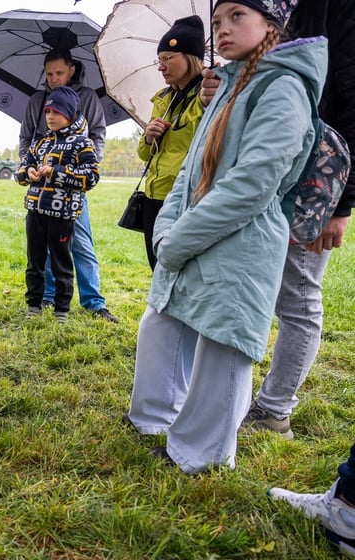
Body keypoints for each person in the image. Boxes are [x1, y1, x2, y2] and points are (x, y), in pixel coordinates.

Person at [126, 0, 322, 473]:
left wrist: (180, 237)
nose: (223, 29)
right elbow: (189, 172)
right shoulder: (230, 86)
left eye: (238, 16)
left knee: (223, 346)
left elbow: (252, 186)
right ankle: (155, 419)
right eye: (218, 21)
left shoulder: (284, 88)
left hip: (243, 240)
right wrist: (168, 226)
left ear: (271, 24)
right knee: (162, 323)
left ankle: (203, 454)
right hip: (196, 230)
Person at [198, 0, 355, 441]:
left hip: (313, 180)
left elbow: (349, 100)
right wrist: (221, 87)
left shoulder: (334, 8)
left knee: (298, 295)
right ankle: (227, 397)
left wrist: (341, 204)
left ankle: (273, 409)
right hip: (262, 172)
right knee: (245, 286)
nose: (224, 27)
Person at [18, 50, 117, 323]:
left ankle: (93, 301)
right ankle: (48, 297)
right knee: (43, 248)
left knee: (81, 243)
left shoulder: (87, 98)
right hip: (41, 190)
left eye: (59, 73)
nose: (54, 79)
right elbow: (26, 138)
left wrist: (76, 168)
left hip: (72, 188)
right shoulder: (37, 101)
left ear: (71, 70)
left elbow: (97, 135)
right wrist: (30, 166)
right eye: (49, 74)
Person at [15, 86, 100, 323]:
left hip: (63, 216)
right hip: (35, 212)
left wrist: (55, 172)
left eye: (57, 112)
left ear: (71, 114)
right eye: (47, 111)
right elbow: (20, 170)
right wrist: (27, 173)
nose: (50, 116)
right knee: (35, 262)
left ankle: (62, 310)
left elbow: (90, 177)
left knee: (61, 263)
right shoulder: (40, 143)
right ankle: (34, 305)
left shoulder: (83, 144)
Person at [137, 16, 206, 271]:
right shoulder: (163, 99)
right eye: (160, 59)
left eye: (168, 58)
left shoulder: (207, 94)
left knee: (182, 273)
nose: (161, 66)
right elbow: (145, 154)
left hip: (187, 198)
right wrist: (149, 137)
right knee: (158, 270)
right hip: (154, 196)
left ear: (189, 57)